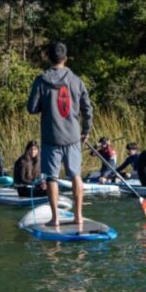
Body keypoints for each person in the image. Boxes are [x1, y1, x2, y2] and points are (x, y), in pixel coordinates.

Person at [27, 42, 93, 226]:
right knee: (76, 175)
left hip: (51, 137)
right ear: (65, 58)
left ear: (49, 57)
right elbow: (88, 109)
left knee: (52, 178)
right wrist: (86, 130)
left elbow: (31, 108)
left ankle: (55, 218)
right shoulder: (77, 81)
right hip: (72, 137)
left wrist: (44, 104)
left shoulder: (41, 80)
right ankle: (78, 216)